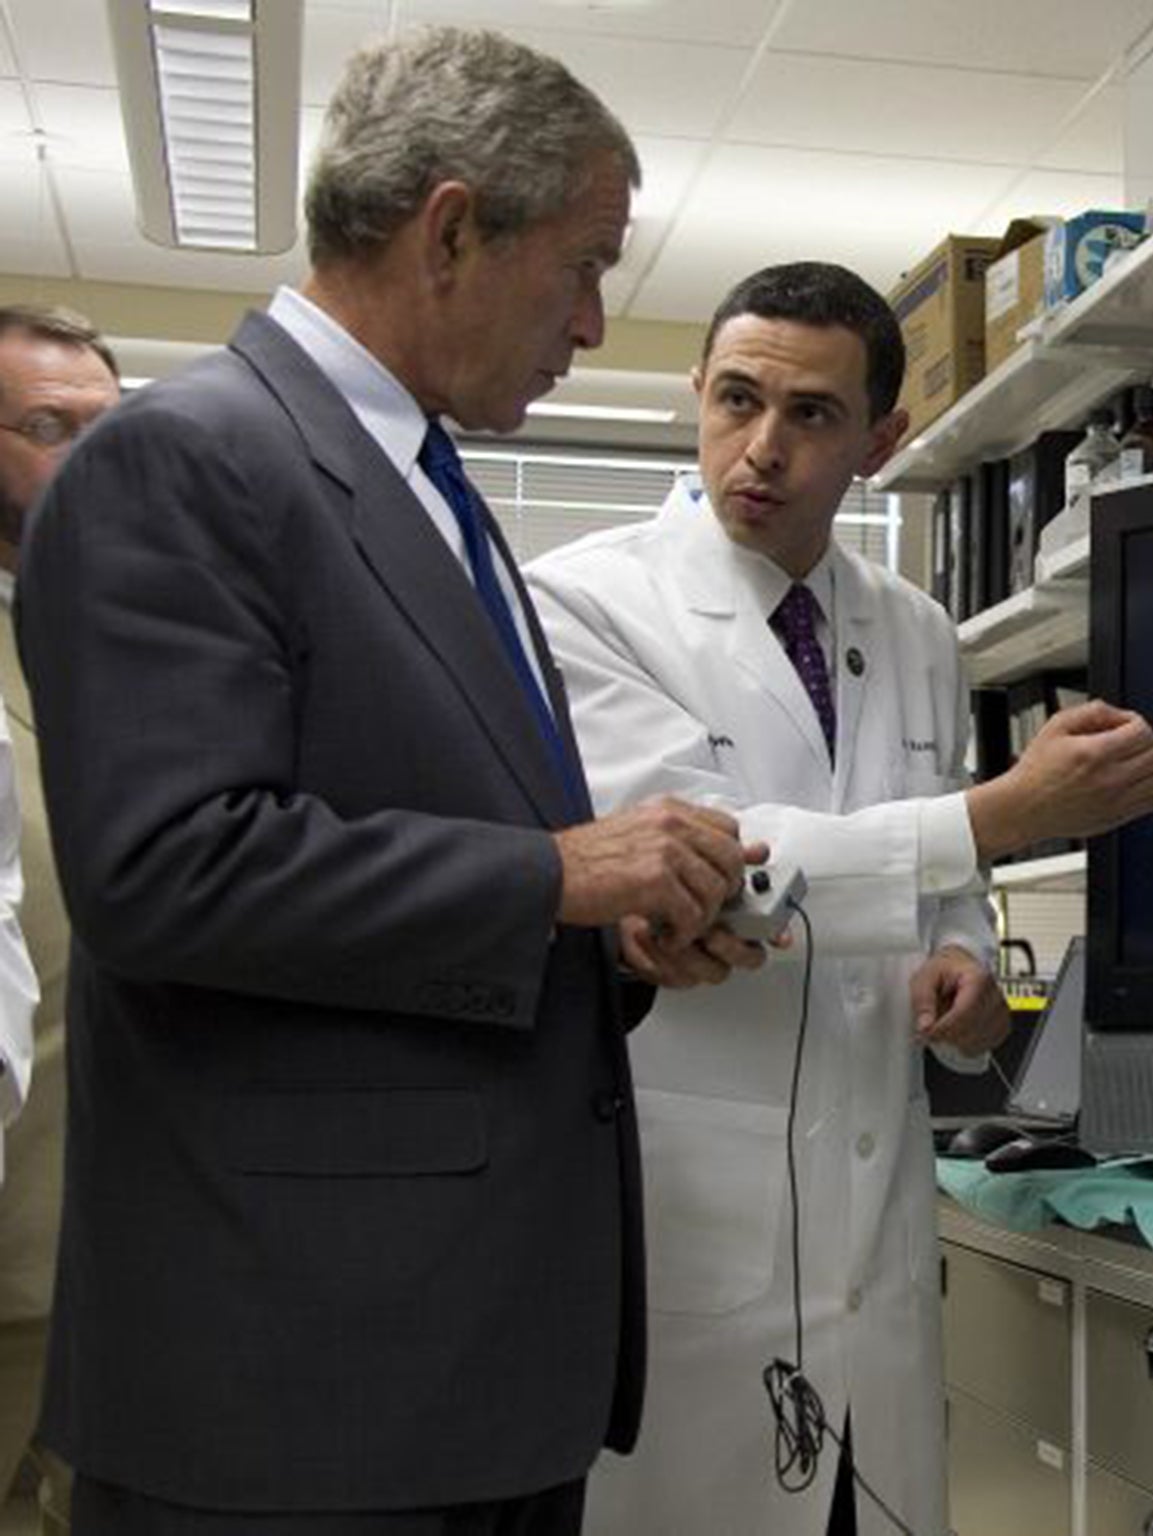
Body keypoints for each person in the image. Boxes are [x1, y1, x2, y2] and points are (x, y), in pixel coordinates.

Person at [17, 28, 762, 1534]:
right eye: (585, 265)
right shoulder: (188, 459)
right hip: (292, 1395)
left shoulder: (433, 492)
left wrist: (604, 930)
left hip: (465, 1373)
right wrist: (559, 874)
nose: (595, 320)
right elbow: (168, 869)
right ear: (450, 228)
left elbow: (424, 851)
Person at [527, 261, 1153, 1536]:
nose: (761, 448)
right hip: (695, 1233)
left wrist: (958, 963)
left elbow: (936, 871)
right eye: (735, 401)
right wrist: (1005, 813)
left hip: (875, 1233)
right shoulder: (586, 603)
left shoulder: (913, 630)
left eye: (811, 417)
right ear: (697, 392)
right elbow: (706, 872)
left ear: (881, 442)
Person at [0, 301, 119, 1536]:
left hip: (122, 1249)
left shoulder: (140, 643)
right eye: (49, 429)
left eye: (108, 431)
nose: (91, 465)